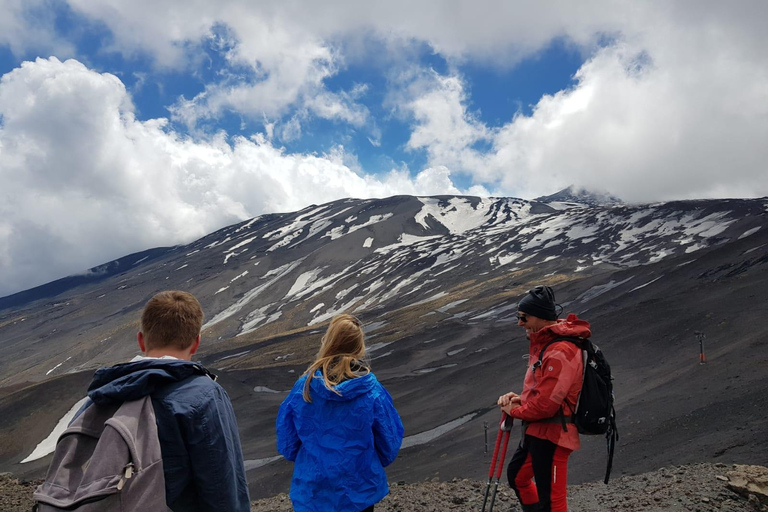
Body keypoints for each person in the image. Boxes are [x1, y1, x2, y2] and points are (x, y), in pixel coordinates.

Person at [79, 290, 251, 511]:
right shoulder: (204, 395)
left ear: (141, 340)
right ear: (196, 342)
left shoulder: (101, 395)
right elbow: (222, 486)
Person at [276, 314, 404, 512]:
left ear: (328, 342)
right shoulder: (372, 391)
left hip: (313, 492)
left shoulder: (304, 388)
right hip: (359, 492)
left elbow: (287, 444)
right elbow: (389, 444)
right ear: (359, 347)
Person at [497, 285, 589, 512]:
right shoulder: (548, 346)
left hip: (554, 435)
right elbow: (546, 392)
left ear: (539, 316)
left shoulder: (560, 351)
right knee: (518, 476)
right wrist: (521, 399)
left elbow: (547, 405)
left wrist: (515, 411)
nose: (519, 323)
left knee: (552, 500)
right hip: (538, 431)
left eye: (523, 317)